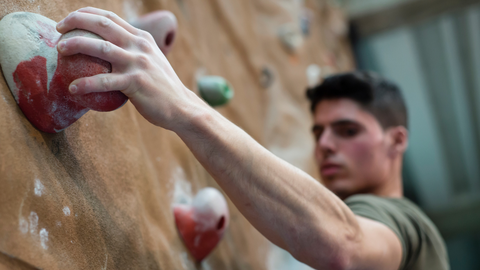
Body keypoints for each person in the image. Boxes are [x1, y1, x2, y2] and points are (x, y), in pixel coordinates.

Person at [55, 7, 449, 269]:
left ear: (397, 141)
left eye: (347, 131)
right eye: (318, 131)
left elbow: (345, 242)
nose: (325, 144)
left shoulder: (407, 225)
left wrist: (183, 106)